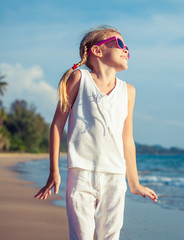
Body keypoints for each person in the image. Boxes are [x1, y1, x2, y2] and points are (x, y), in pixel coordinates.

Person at [34, 25, 158, 240]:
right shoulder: (79, 79)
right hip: (81, 174)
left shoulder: (128, 91)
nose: (126, 49)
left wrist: (134, 183)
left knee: (109, 237)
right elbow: (57, 125)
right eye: (119, 44)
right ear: (97, 51)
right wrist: (54, 171)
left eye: (127, 46)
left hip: (115, 177)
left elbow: (127, 139)